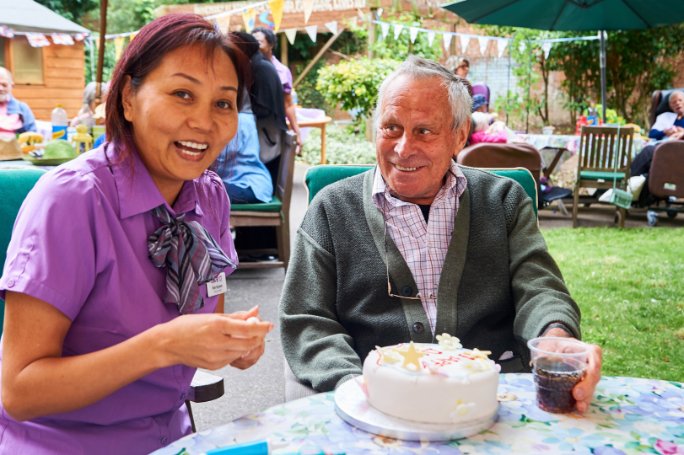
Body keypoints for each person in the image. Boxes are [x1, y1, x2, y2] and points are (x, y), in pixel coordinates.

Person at [0, 14, 273, 454]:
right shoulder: (72, 201)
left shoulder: (211, 197)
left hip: (172, 437)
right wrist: (163, 345)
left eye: (222, 103)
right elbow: (19, 390)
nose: (204, 122)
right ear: (128, 97)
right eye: (182, 94)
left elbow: (206, 317)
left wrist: (229, 343)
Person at [280, 56, 602, 413]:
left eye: (424, 131)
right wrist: (353, 383)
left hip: (491, 402)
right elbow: (306, 320)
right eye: (391, 128)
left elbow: (539, 288)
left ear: (459, 135)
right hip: (373, 404)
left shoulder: (503, 201)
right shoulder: (331, 209)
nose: (403, 148)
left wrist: (554, 337)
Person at [251, 27, 302, 157]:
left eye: (259, 42)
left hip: (273, 129)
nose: (255, 46)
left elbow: (288, 104)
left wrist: (297, 132)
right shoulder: (248, 68)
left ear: (271, 44)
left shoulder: (281, 71)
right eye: (252, 42)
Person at [215, 110, 273, 204]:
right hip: (233, 182)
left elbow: (221, 155)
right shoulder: (241, 118)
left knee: (203, 190)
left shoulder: (239, 120)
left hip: (250, 186)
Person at [0, 66, 37, 134]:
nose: (0, 88)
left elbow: (32, 133)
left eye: (4, 85)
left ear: (12, 86)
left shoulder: (22, 108)